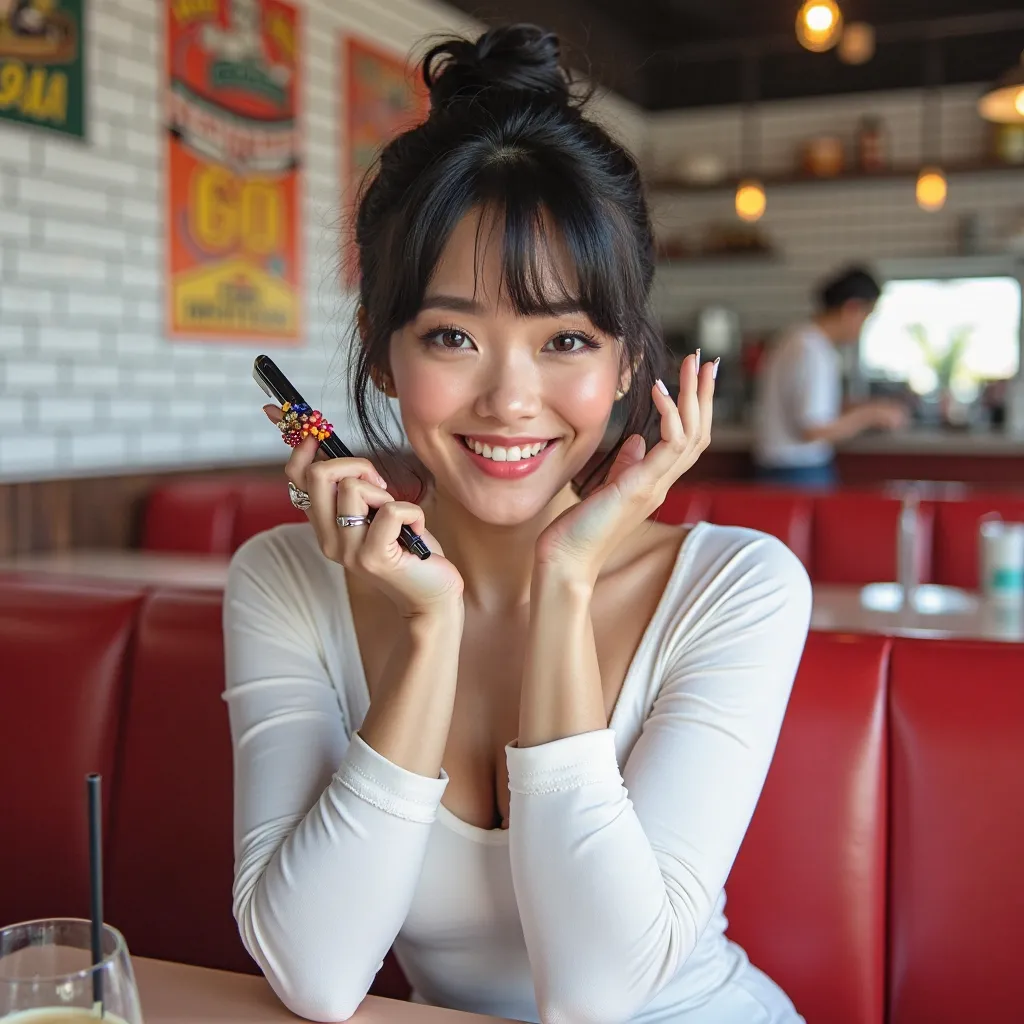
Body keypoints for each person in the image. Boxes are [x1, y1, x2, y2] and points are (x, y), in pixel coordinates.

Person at [224, 24, 811, 1024]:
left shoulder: (739, 586)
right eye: (452, 334)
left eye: (566, 339)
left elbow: (596, 995)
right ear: (380, 353)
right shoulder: (285, 580)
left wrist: (565, 580)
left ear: (628, 364)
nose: (509, 397)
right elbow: (315, 974)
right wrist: (429, 630)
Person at [752, 265, 908, 488]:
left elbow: (812, 410)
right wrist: (871, 414)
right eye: (867, 316)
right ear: (851, 308)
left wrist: (859, 407)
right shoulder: (810, 349)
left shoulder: (798, 339)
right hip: (796, 474)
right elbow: (813, 428)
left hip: (786, 470)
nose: (864, 326)